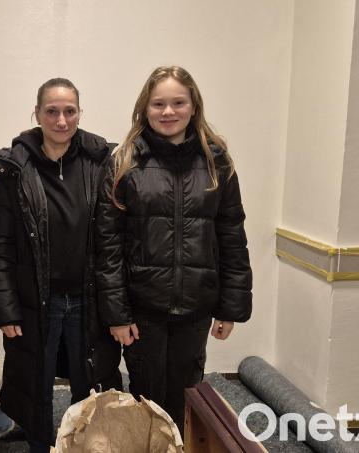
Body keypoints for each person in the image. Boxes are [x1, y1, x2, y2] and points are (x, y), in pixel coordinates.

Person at [94, 66, 253, 433]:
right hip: (142, 309)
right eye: (159, 104)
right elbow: (108, 245)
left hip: (196, 307)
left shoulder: (217, 163)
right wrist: (117, 314)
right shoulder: (125, 162)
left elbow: (232, 236)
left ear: (193, 106)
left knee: (185, 397)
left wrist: (229, 308)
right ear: (145, 108)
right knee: (147, 400)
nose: (168, 112)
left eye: (178, 103)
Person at [0, 78, 122, 452]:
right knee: (36, 385)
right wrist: (3, 307)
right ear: (37, 114)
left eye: (69, 111)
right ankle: (40, 445)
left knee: (90, 384)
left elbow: (115, 238)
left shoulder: (101, 163)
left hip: (87, 299)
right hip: (36, 301)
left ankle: (85, 447)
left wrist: (117, 305)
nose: (61, 120)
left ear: (79, 113)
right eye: (52, 111)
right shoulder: (13, 169)